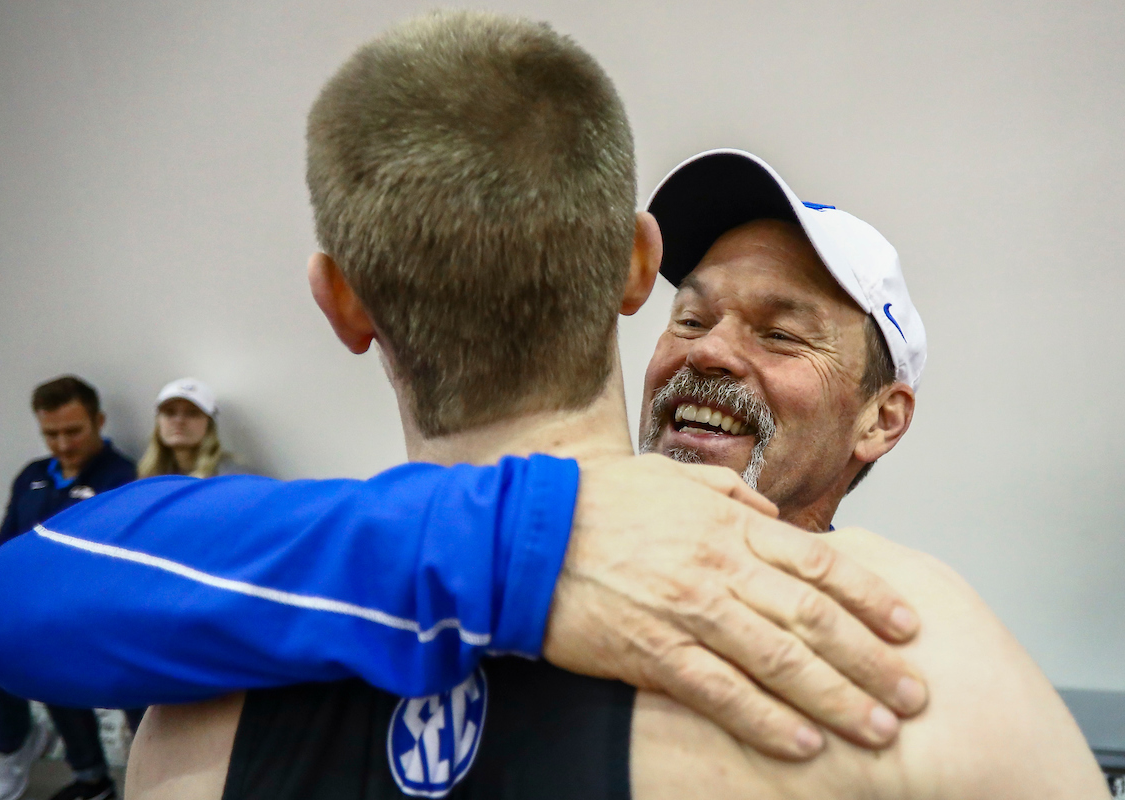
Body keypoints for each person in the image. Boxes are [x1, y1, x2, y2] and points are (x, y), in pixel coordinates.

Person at [99, 14, 1099, 799]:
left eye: (780, 333)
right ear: (637, 271)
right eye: (694, 314)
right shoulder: (932, 652)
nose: (711, 351)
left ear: (341, 299)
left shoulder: (195, 721)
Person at [0, 376, 137, 800]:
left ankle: (60, 767)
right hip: (9, 606)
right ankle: (14, 741)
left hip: (68, 614)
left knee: (29, 643)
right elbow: (2, 543)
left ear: (98, 420)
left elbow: (101, 567)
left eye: (73, 431)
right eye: (51, 434)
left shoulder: (123, 477)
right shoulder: (31, 476)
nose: (62, 444)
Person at [137, 379, 237, 479]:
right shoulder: (148, 475)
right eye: (170, 412)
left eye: (192, 413)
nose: (179, 421)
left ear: (209, 423)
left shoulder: (231, 476)